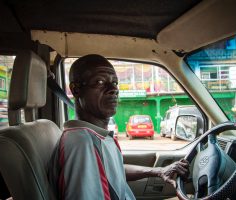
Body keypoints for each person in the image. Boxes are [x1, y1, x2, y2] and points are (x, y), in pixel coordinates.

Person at [48, 54, 189, 200]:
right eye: (100, 82)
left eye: (115, 83)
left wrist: (158, 171)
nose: (113, 89)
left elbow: (112, 171)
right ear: (76, 90)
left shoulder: (95, 136)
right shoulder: (81, 143)